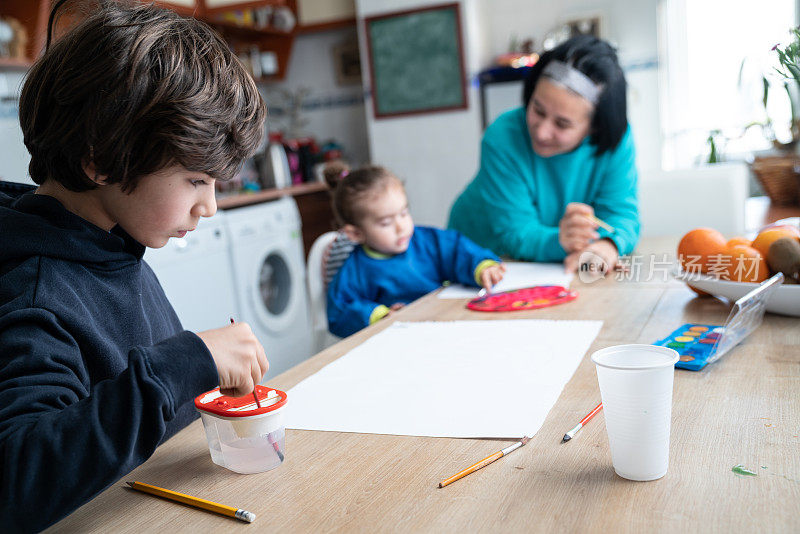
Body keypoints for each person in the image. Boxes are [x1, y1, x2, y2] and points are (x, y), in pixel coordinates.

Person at [0, 2, 269, 530]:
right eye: (196, 179)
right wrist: (189, 362)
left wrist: (207, 385)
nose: (209, 205)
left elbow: (142, 410)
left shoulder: (115, 250)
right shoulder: (36, 292)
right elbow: (18, 479)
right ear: (100, 160)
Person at [448, 35, 639, 274]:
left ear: (595, 128)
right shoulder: (502, 137)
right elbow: (515, 235)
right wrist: (562, 240)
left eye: (562, 124)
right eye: (537, 110)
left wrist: (609, 245)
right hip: (482, 256)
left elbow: (621, 215)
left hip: (551, 263)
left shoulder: (616, 139)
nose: (542, 132)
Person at [325, 163, 506, 338]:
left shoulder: (425, 240)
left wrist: (482, 267)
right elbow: (340, 311)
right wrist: (379, 315)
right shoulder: (355, 268)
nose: (401, 227)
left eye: (404, 213)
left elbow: (457, 250)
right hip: (395, 340)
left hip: (444, 322)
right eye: (386, 223)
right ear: (356, 233)